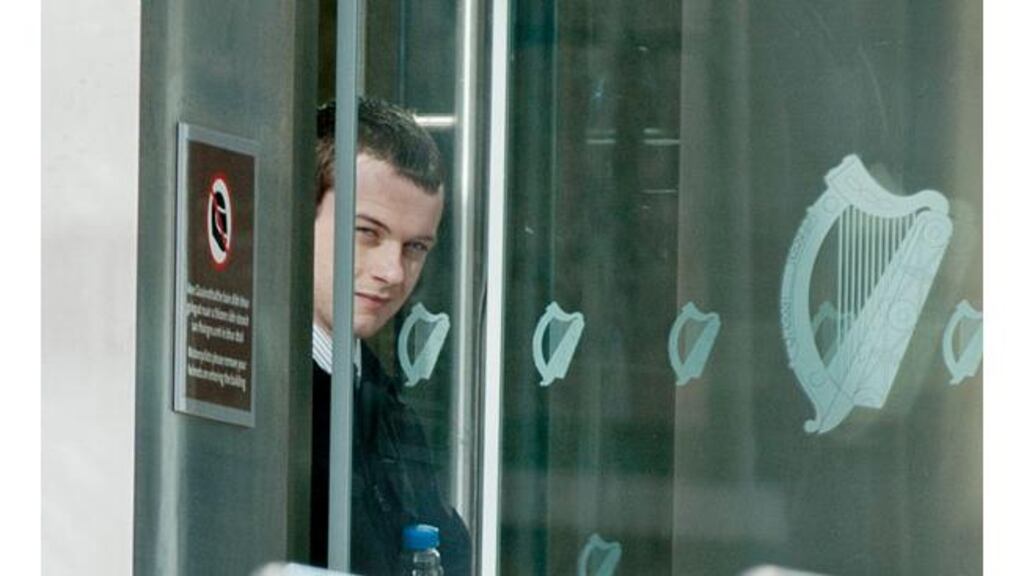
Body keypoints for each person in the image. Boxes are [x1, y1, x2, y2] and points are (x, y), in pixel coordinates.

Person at [309, 97, 471, 575]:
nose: (393, 272)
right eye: (367, 232)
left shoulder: (387, 409)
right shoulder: (266, 407)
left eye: (416, 247)